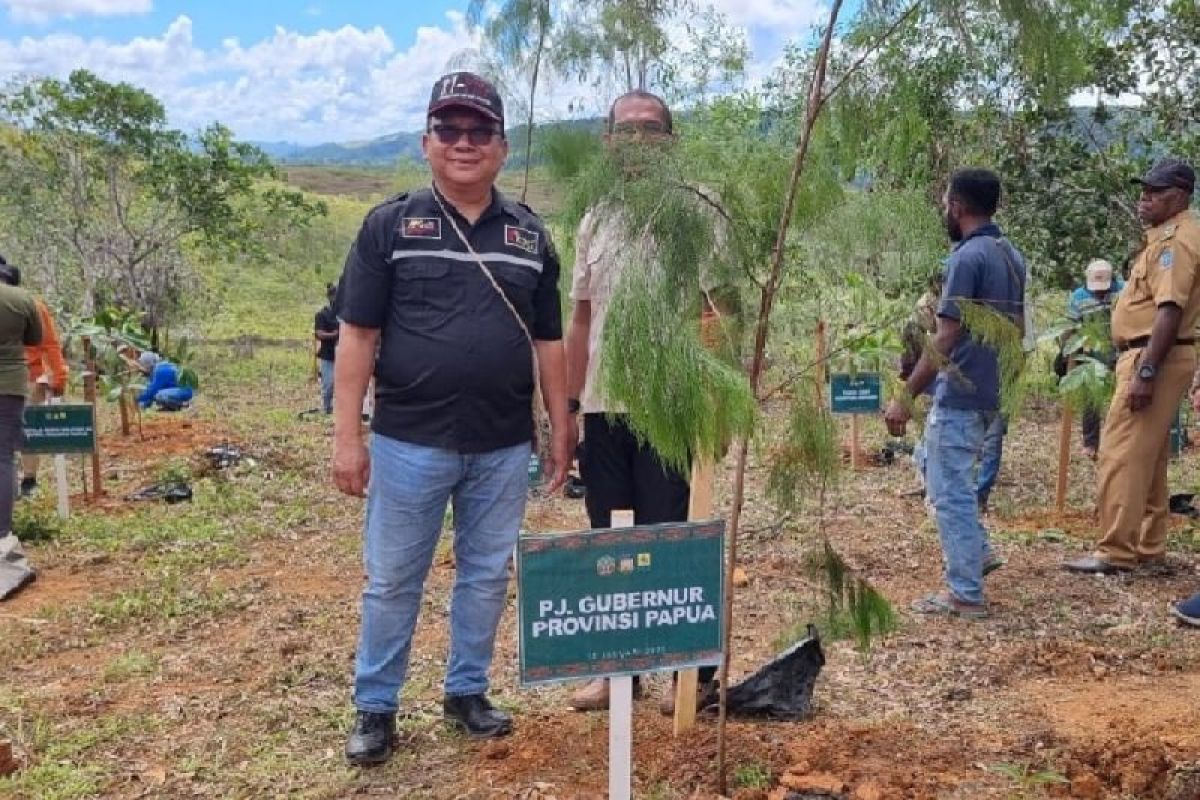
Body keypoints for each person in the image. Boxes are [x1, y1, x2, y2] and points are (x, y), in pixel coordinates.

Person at [333, 71, 573, 765]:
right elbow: (357, 336)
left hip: (502, 444)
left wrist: (560, 428)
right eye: (449, 129)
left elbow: (549, 344)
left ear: (501, 146)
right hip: (409, 440)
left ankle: (467, 690)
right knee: (392, 579)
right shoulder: (389, 226)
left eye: (479, 131)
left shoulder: (530, 236)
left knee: (486, 574)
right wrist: (347, 436)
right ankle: (375, 706)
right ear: (427, 142)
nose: (463, 143)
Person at [564, 89, 724, 714]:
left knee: (675, 538)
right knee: (611, 541)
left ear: (670, 141)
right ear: (607, 141)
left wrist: (715, 403)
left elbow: (716, 316)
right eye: (623, 130)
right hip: (605, 409)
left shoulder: (697, 214)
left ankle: (694, 675)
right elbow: (581, 320)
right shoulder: (593, 218)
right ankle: (619, 673)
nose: (635, 141)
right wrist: (572, 405)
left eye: (649, 130)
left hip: (672, 406)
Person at [884, 168, 1026, 618]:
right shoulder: (1011, 255)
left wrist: (905, 397)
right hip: (990, 389)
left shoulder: (966, 259)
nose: (945, 210)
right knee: (929, 461)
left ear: (958, 207)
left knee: (950, 493)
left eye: (946, 203)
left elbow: (945, 336)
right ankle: (977, 551)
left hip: (963, 392)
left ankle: (965, 592)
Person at [1065, 159, 1199, 575]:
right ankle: (1148, 545)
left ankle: (1116, 551)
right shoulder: (1166, 237)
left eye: (1153, 194)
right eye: (1143, 192)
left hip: (1152, 355)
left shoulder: (1176, 242)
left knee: (1120, 453)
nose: (1143, 201)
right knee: (1148, 455)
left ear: (1178, 196)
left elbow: (1169, 310)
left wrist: (1145, 372)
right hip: (1157, 354)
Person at [0, 263, 68, 498]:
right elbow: (48, 342)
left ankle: (28, 480)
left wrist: (58, 376)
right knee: (21, 431)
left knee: (24, 430)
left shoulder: (32, 305)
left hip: (28, 377)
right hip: (24, 378)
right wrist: (58, 377)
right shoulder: (30, 302)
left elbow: (48, 343)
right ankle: (24, 481)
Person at [0, 258, 43, 601]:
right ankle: (2, 532)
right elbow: (35, 339)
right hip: (10, 385)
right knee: (3, 458)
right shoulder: (22, 299)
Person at [1058, 259, 1124, 458]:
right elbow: (1068, 327)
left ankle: (1117, 442)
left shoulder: (1122, 290)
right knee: (1091, 399)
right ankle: (1090, 443)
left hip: (1119, 350)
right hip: (1091, 353)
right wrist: (1068, 351)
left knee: (1119, 398)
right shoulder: (1078, 298)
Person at [125, 350, 193, 410]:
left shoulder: (160, 369)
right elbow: (150, 390)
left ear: (148, 364)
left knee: (160, 395)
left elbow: (152, 391)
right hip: (178, 389)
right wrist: (143, 405)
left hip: (184, 390)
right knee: (159, 395)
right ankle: (171, 407)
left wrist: (136, 401)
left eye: (143, 365)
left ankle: (184, 405)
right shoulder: (158, 369)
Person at [314, 283, 339, 414]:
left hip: (343, 354)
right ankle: (327, 407)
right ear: (329, 297)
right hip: (328, 354)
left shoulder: (343, 314)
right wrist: (334, 335)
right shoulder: (322, 315)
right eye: (334, 296)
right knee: (328, 383)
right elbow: (319, 333)